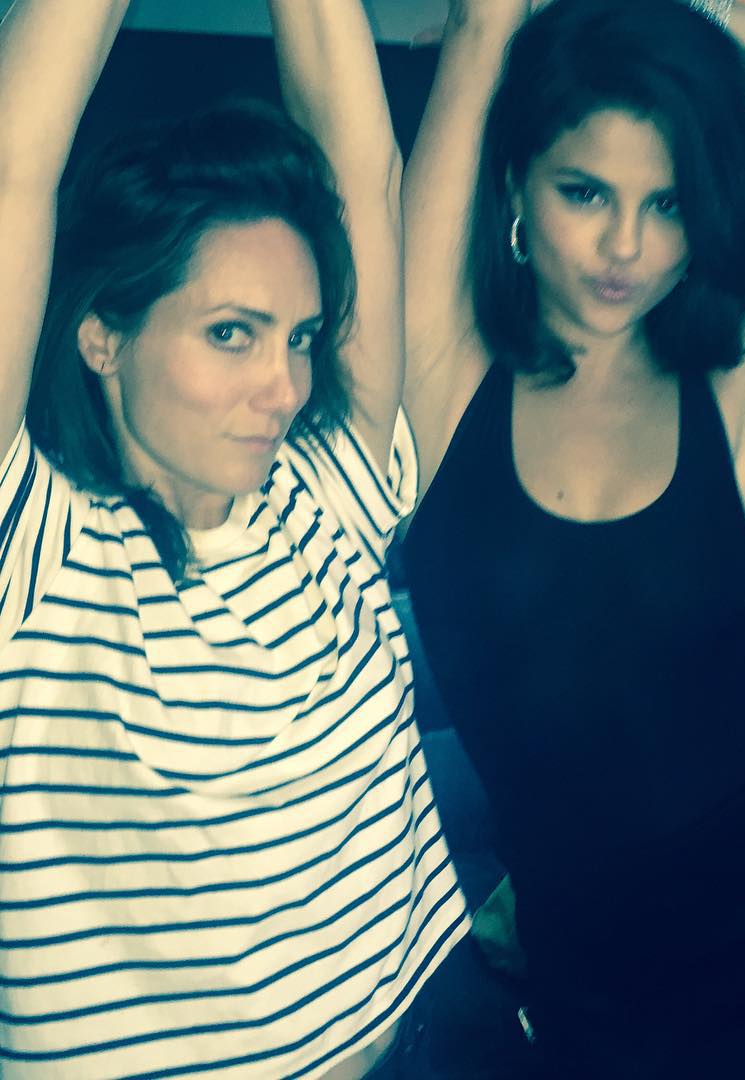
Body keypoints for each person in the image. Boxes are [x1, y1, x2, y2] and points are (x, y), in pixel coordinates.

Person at [401, 0, 745, 1075]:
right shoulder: (444, 376)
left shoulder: (731, 392)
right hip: (603, 971)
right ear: (514, 184)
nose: (626, 248)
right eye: (584, 192)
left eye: (668, 202)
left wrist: (675, 8)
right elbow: (481, 31)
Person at [0, 1, 467, 1076]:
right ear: (103, 335)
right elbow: (14, 167)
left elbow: (363, 174)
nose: (286, 387)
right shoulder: (35, 552)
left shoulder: (327, 492)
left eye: (299, 337)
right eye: (231, 334)